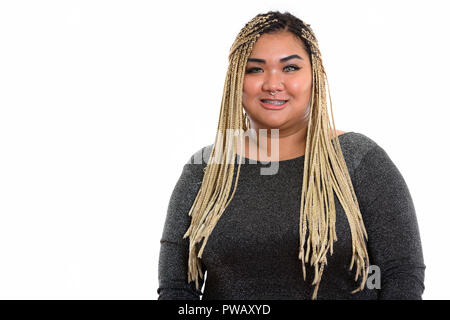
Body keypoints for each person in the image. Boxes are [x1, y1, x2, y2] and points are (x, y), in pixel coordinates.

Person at [157, 10, 426, 300]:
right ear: (236, 80)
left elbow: (401, 275)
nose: (273, 84)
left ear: (315, 75)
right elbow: (176, 289)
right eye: (255, 69)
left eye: (290, 68)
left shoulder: (359, 160)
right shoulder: (207, 169)